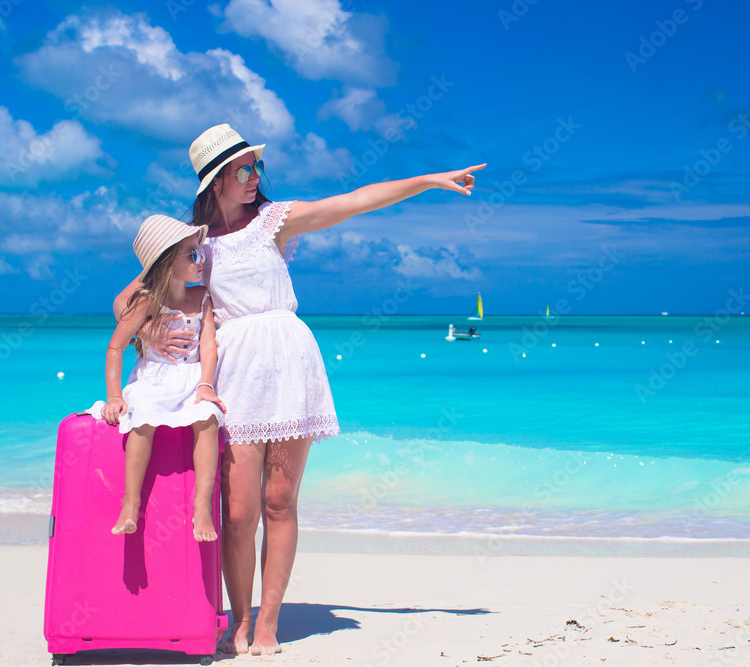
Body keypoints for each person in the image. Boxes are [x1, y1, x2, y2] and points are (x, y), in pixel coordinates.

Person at [114, 123, 484, 655]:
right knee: (238, 511)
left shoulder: (273, 222)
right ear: (215, 181)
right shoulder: (192, 243)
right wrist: (148, 329)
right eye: (244, 169)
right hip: (231, 371)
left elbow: (353, 202)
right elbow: (127, 300)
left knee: (280, 499)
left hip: (289, 361)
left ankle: (268, 622)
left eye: (257, 167)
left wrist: (430, 179)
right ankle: (239, 618)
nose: (255, 176)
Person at [103, 215, 227, 543]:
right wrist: (115, 396)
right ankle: (131, 503)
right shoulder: (146, 302)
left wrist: (206, 383)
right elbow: (115, 347)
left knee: (208, 417)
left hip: (191, 379)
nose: (200, 259)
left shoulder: (201, 296)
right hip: (154, 379)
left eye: (200, 253)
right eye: (192, 254)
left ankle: (202, 506)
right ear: (167, 262)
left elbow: (209, 345)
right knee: (141, 410)